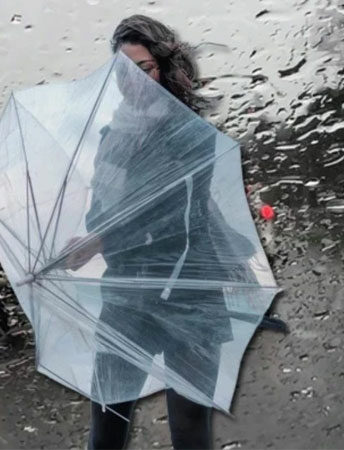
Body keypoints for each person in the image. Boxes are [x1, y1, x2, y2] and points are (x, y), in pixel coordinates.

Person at [65, 15, 258, 450]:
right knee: (108, 421)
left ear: (165, 68)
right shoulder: (112, 136)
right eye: (122, 71)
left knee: (189, 430)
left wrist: (101, 239)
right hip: (128, 295)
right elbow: (101, 213)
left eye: (143, 68)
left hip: (191, 294)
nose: (131, 81)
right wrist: (91, 238)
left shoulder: (192, 134)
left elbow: (179, 218)